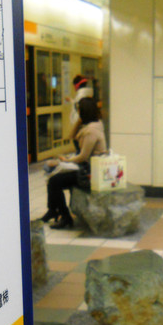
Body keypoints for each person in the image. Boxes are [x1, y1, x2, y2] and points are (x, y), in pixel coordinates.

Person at [40, 97, 107, 228]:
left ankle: (64, 216)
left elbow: (83, 156)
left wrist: (66, 160)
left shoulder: (91, 131)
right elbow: (71, 137)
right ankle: (53, 210)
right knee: (52, 174)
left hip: (88, 173)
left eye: (79, 111)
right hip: (85, 168)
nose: (78, 113)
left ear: (84, 112)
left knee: (54, 181)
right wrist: (78, 122)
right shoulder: (92, 125)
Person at [68, 75, 93, 151]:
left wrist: (76, 126)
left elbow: (79, 109)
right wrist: (71, 100)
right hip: (85, 123)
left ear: (76, 85)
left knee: (78, 144)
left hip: (80, 124)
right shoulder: (87, 94)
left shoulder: (81, 95)